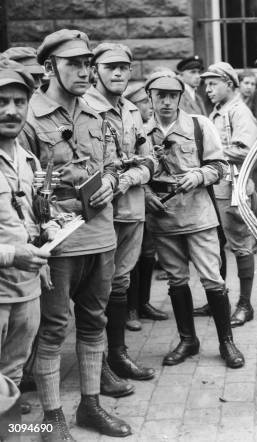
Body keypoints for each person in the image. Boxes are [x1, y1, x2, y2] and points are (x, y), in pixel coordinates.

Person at [21, 29, 131, 439]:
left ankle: (90, 407)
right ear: (50, 67)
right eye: (75, 64)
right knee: (52, 328)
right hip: (57, 244)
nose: (85, 71)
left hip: (101, 236)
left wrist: (113, 183)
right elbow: (22, 187)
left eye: (88, 63)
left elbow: (115, 164)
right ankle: (52, 418)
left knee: (93, 323)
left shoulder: (95, 113)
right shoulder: (28, 117)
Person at [143, 70, 245, 368]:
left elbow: (220, 166)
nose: (165, 101)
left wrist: (199, 175)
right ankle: (188, 339)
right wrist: (146, 192)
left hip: (199, 216)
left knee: (213, 279)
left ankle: (227, 342)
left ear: (180, 97)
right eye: (159, 95)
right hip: (163, 217)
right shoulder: (140, 134)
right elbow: (134, 170)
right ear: (150, 97)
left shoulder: (200, 126)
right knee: (176, 280)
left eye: (172, 95)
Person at [84, 43, 156, 395]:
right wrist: (126, 172)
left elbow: (149, 160)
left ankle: (118, 355)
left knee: (121, 283)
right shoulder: (85, 107)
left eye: (124, 68)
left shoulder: (131, 109)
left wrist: (130, 176)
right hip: (101, 213)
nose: (117, 73)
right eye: (109, 67)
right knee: (96, 289)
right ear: (95, 69)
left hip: (131, 209)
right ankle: (98, 365)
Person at [0, 58, 52, 420]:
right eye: (1, 101)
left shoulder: (27, 159)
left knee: (13, 375)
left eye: (20, 102)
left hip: (26, 289)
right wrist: (10, 255)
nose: (11, 111)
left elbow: (29, 218)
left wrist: (44, 242)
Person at [201, 62, 257, 327]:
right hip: (216, 188)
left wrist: (210, 153)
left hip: (233, 189)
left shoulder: (239, 112)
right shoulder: (218, 111)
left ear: (229, 83)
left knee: (241, 244)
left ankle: (245, 304)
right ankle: (219, 299)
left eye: (213, 83)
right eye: (206, 84)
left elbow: (247, 150)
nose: (208, 88)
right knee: (216, 243)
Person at [122, 81, 168, 331]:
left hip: (145, 202)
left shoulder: (147, 129)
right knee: (132, 258)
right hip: (131, 199)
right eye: (143, 103)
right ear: (131, 105)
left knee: (148, 253)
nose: (149, 107)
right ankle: (130, 309)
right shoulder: (125, 126)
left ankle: (144, 302)